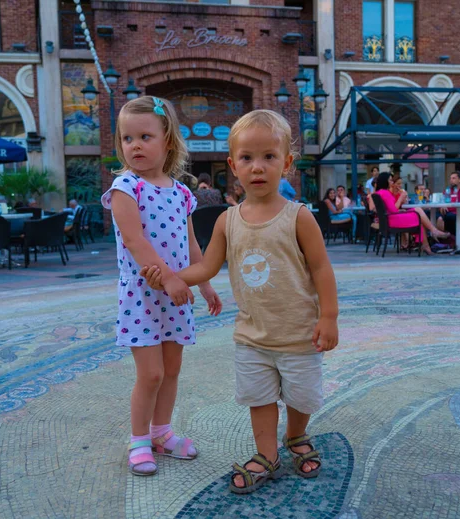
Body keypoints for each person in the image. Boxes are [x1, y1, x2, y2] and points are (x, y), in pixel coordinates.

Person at [141, 109, 339, 493]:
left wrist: (328, 317)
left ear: (288, 163)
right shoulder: (227, 221)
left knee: (302, 396)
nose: (258, 167)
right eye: (247, 158)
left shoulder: (298, 217)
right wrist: (170, 277)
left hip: (299, 334)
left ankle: (295, 435)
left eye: (269, 157)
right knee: (259, 397)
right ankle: (267, 452)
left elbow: (322, 269)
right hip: (252, 335)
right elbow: (207, 267)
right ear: (233, 165)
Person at [100, 96, 222, 477]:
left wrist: (205, 283)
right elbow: (136, 241)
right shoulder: (125, 187)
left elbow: (191, 243)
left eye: (145, 136)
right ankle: (138, 439)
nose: (135, 145)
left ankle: (162, 432)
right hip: (144, 294)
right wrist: (167, 277)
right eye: (127, 138)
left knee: (171, 369)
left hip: (177, 293)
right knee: (150, 373)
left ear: (167, 140)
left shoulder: (182, 192)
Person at [368, 172, 449, 255]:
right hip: (393, 220)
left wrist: (401, 209)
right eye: (390, 180)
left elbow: (389, 210)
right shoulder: (385, 193)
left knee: (419, 215)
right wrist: (401, 197)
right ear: (385, 181)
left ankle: (427, 245)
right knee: (418, 210)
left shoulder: (380, 192)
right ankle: (433, 231)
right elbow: (394, 210)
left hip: (389, 219)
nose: (392, 182)